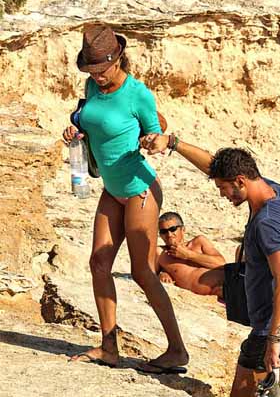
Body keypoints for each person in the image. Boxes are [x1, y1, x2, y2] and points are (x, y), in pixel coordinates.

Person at [63, 25, 188, 374]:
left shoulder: (138, 94)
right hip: (111, 189)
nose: (97, 78)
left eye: (102, 71)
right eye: (91, 72)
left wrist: (152, 140)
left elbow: (157, 132)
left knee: (143, 272)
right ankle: (109, 347)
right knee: (98, 264)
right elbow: (95, 121)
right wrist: (78, 131)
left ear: (117, 60)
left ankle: (177, 350)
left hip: (139, 190)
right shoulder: (92, 86)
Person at [142, 134, 280, 396]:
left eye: (222, 189)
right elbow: (215, 166)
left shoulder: (268, 222)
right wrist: (173, 143)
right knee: (275, 392)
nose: (222, 195)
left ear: (239, 182)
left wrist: (273, 339)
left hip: (276, 326)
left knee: (243, 391)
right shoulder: (272, 191)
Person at [157, 211, 226, 297]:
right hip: (214, 294)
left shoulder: (199, 242)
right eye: (164, 231)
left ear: (183, 230)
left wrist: (188, 255)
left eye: (173, 229)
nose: (169, 234)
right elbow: (149, 273)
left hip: (227, 284)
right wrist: (163, 273)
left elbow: (221, 264)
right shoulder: (160, 253)